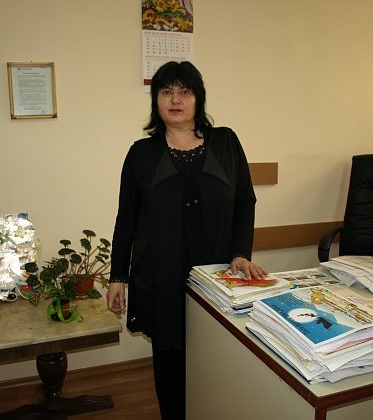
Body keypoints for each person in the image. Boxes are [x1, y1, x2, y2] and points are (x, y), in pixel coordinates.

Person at [106, 61, 267, 420]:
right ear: (156, 100)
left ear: (198, 98)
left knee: (216, 365)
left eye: (184, 91)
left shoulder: (226, 142)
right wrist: (118, 276)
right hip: (160, 279)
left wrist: (241, 253)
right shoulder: (141, 153)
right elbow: (126, 219)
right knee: (170, 370)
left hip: (217, 278)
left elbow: (245, 203)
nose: (175, 99)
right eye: (166, 91)